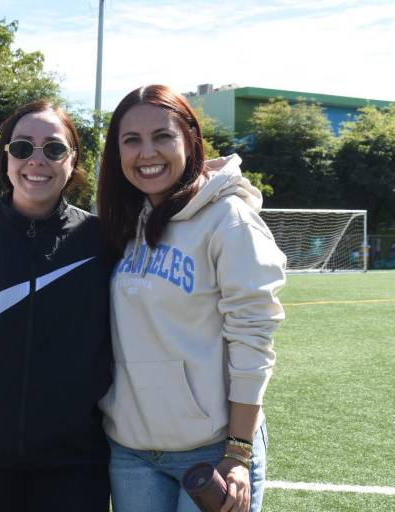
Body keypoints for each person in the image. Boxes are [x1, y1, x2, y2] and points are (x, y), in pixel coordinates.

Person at [97, 85, 286, 512]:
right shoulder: (122, 221)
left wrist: (239, 451)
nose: (147, 153)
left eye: (162, 136)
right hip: (130, 451)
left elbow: (253, 338)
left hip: (213, 449)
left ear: (190, 140)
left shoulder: (229, 218)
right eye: (132, 140)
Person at [0, 100, 113, 512]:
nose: (37, 160)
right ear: (6, 157)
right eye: (22, 148)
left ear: (72, 160)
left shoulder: (102, 241)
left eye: (54, 148)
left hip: (74, 466)